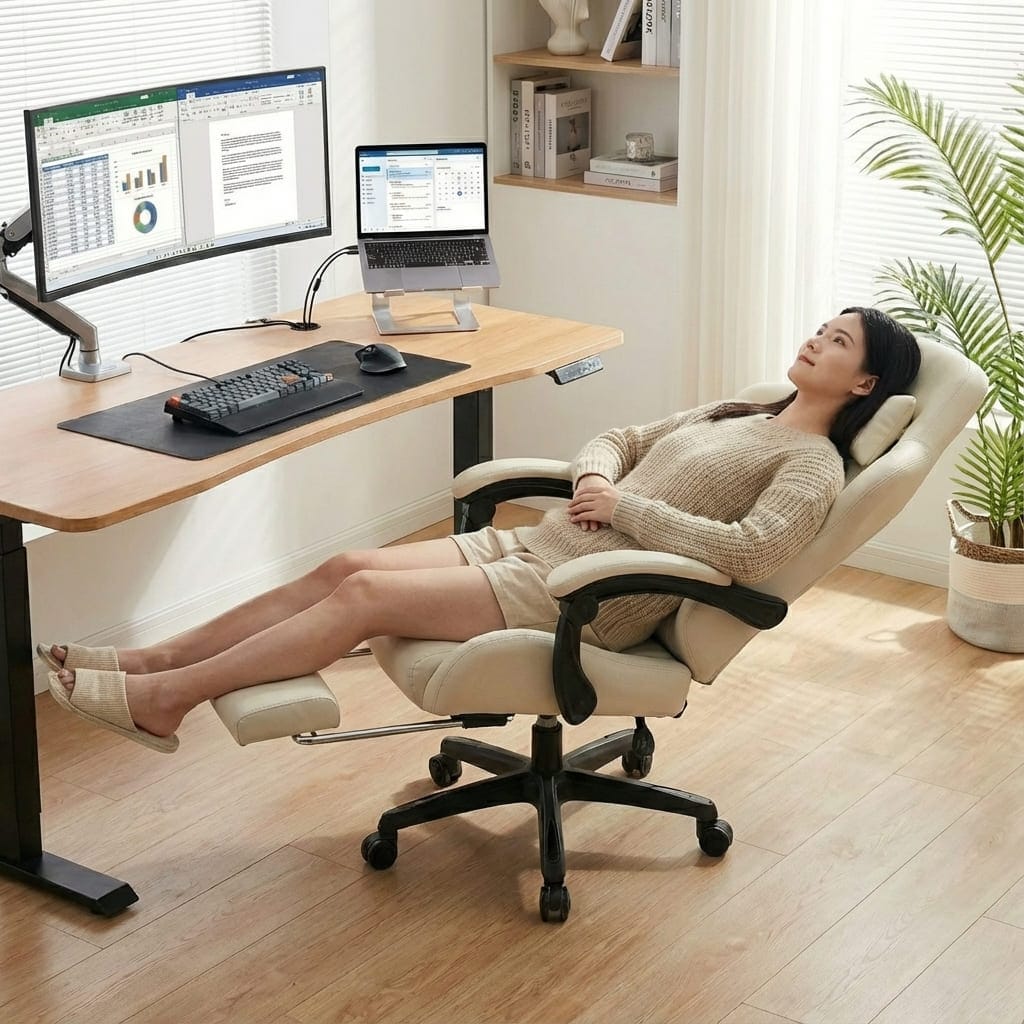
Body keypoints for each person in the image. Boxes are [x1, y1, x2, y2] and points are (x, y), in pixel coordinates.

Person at [43, 307, 920, 753]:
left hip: (587, 594)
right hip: (546, 543)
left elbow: (753, 554)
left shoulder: (811, 467)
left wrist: (626, 511)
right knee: (352, 560)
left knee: (361, 597)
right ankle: (156, 659)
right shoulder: (746, 407)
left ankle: (167, 702)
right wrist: (593, 476)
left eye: (836, 341)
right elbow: (621, 437)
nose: (814, 341)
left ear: (865, 384)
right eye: (817, 327)